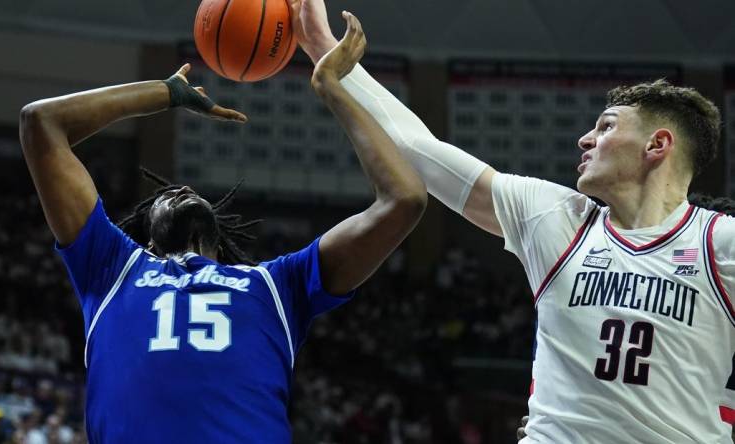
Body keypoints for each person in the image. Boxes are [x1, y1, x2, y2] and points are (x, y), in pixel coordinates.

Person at [292, 1, 735, 442]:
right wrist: (321, 46)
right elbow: (418, 149)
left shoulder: (721, 242)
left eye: (606, 127)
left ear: (657, 145)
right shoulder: (556, 217)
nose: (585, 138)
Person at [18, 13, 426, 444]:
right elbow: (40, 124)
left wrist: (332, 87)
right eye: (164, 194)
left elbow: (404, 201)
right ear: (150, 240)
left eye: (185, 189)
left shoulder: (278, 286)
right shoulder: (111, 268)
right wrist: (166, 93)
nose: (182, 190)